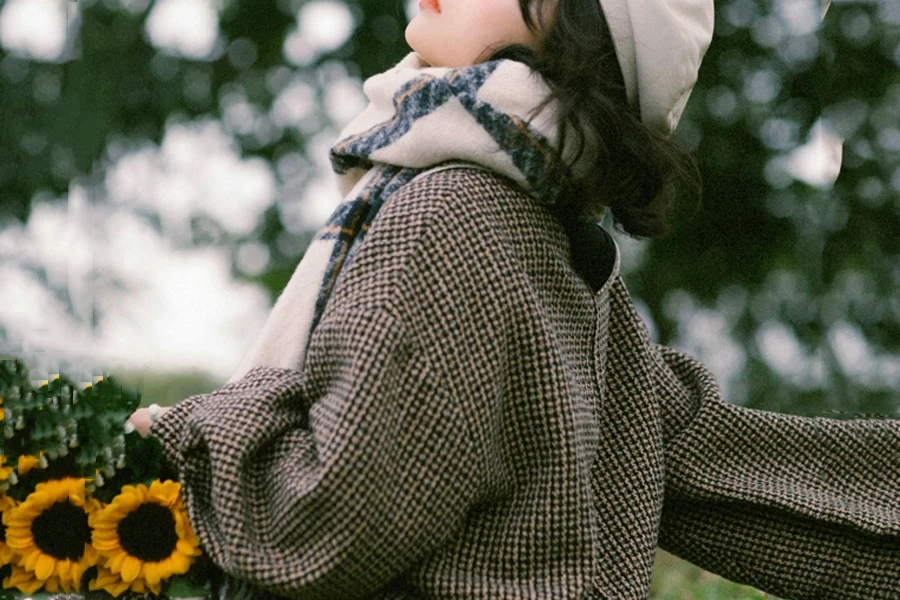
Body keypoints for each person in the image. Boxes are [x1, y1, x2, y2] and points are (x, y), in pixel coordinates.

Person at [128, 0, 900, 598]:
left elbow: (325, 520)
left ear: (583, 23)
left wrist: (184, 433)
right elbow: (741, 475)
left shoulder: (453, 215)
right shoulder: (560, 250)